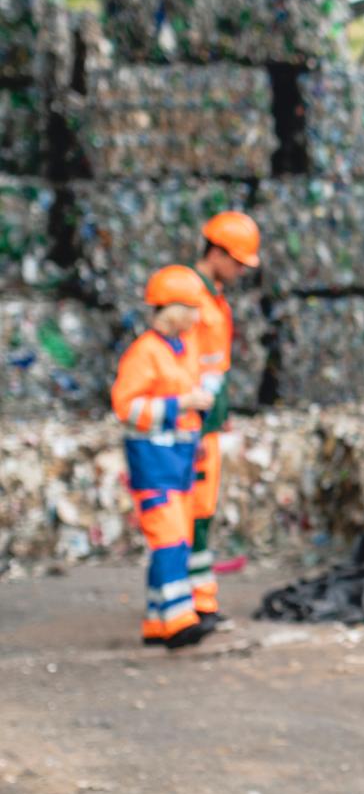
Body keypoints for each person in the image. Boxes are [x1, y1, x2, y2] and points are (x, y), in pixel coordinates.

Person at [110, 265, 216, 650]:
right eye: (189, 308)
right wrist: (180, 404)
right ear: (170, 308)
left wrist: (195, 417)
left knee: (178, 539)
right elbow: (126, 408)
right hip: (153, 462)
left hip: (181, 459)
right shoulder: (145, 353)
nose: (195, 317)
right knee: (169, 538)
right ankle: (177, 621)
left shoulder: (184, 350)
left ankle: (158, 620)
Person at [184, 210, 261, 625]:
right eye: (236, 262)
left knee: (205, 508)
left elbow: (218, 366)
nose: (239, 271)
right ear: (216, 252)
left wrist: (223, 412)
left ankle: (198, 597)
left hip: (209, 420)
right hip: (192, 421)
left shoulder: (211, 295)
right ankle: (193, 603)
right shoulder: (189, 296)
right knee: (193, 512)